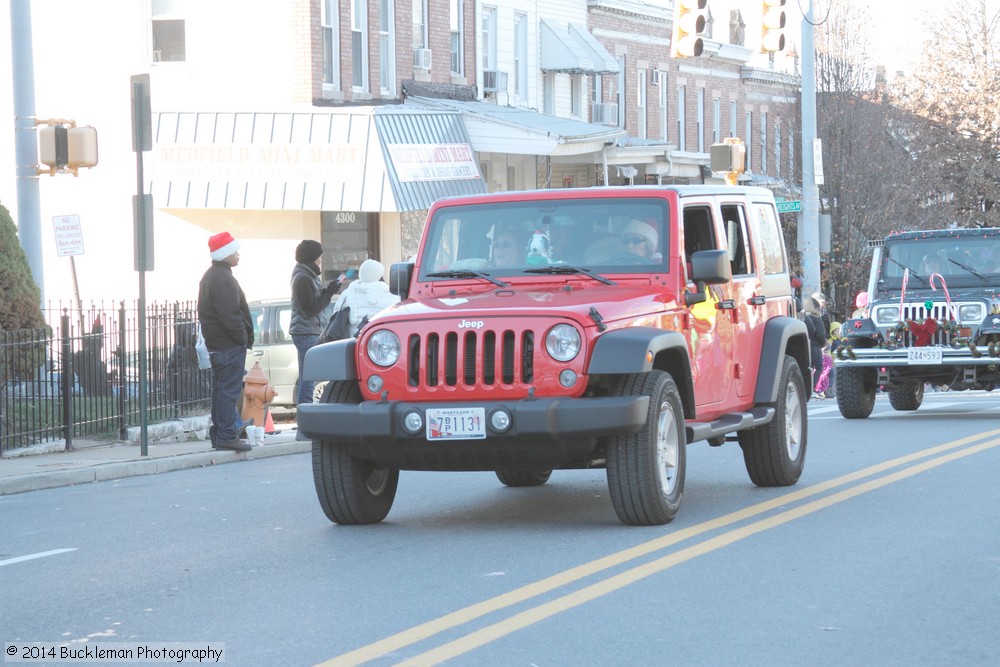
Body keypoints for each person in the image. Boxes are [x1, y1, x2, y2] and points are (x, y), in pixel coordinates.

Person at [198, 231, 254, 452]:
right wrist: (242, 338)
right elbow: (230, 315)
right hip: (228, 344)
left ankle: (221, 434)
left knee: (221, 391)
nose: (238, 255)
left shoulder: (213, 276)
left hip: (220, 344)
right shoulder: (223, 278)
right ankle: (226, 435)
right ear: (225, 254)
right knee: (228, 392)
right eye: (234, 251)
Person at [290, 240, 338, 405]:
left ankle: (305, 411)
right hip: (305, 331)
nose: (321, 259)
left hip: (308, 330)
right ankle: (305, 413)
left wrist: (327, 290)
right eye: (319, 256)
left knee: (308, 375)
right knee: (308, 376)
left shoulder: (308, 275)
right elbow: (312, 307)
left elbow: (313, 301)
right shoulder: (303, 278)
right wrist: (329, 292)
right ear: (312, 257)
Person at [329, 258, 400, 337]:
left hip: (351, 341)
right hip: (379, 340)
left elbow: (336, 313)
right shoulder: (389, 293)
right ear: (379, 274)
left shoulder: (347, 293)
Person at [801, 296, 828, 399]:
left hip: (804, 346)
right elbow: (821, 334)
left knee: (808, 368)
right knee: (819, 367)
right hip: (815, 346)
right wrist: (822, 343)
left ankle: (803, 388)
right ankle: (810, 389)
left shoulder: (802, 317)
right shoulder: (816, 318)